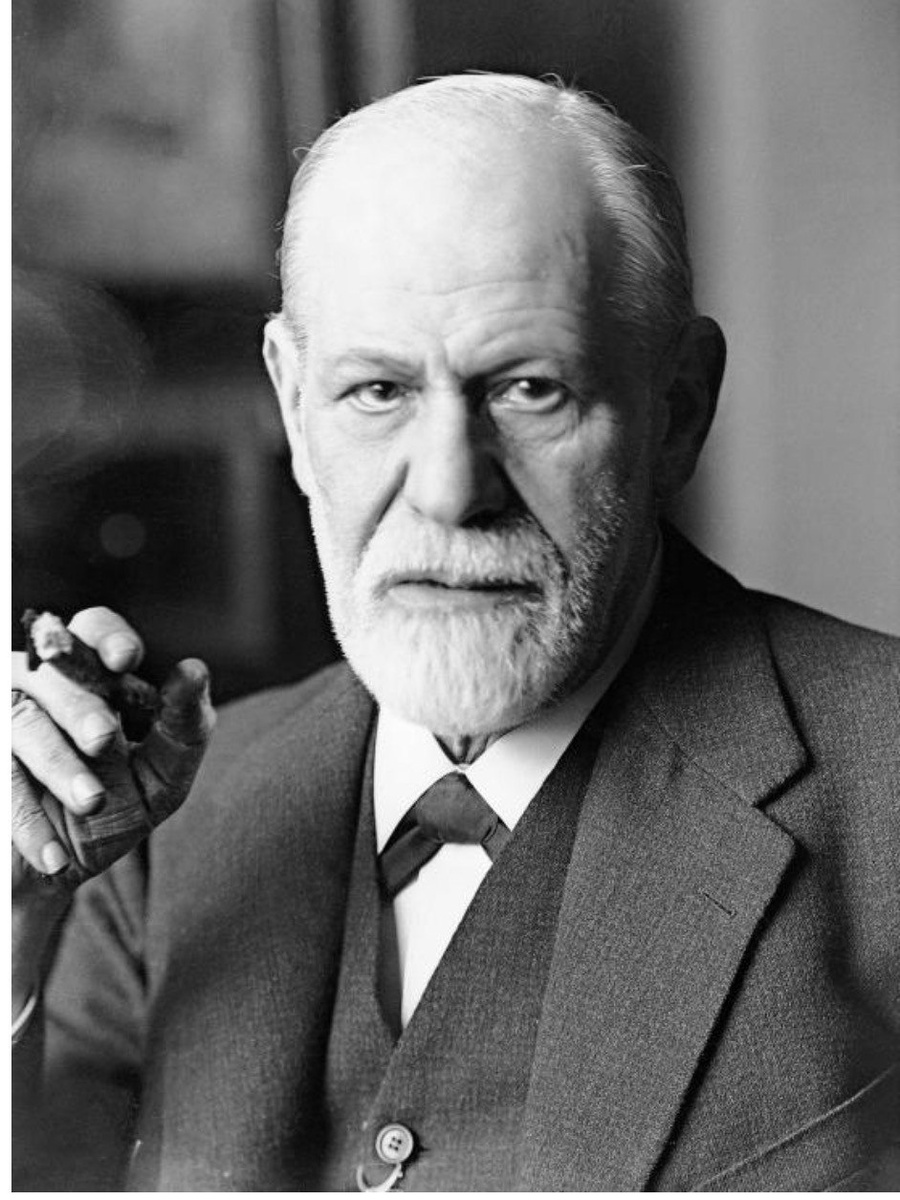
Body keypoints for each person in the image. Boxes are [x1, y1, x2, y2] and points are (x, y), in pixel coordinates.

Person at [11, 73, 900, 1191]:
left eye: (528, 389)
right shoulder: (154, 842)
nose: (446, 489)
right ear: (293, 408)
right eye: (378, 392)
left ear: (677, 408)